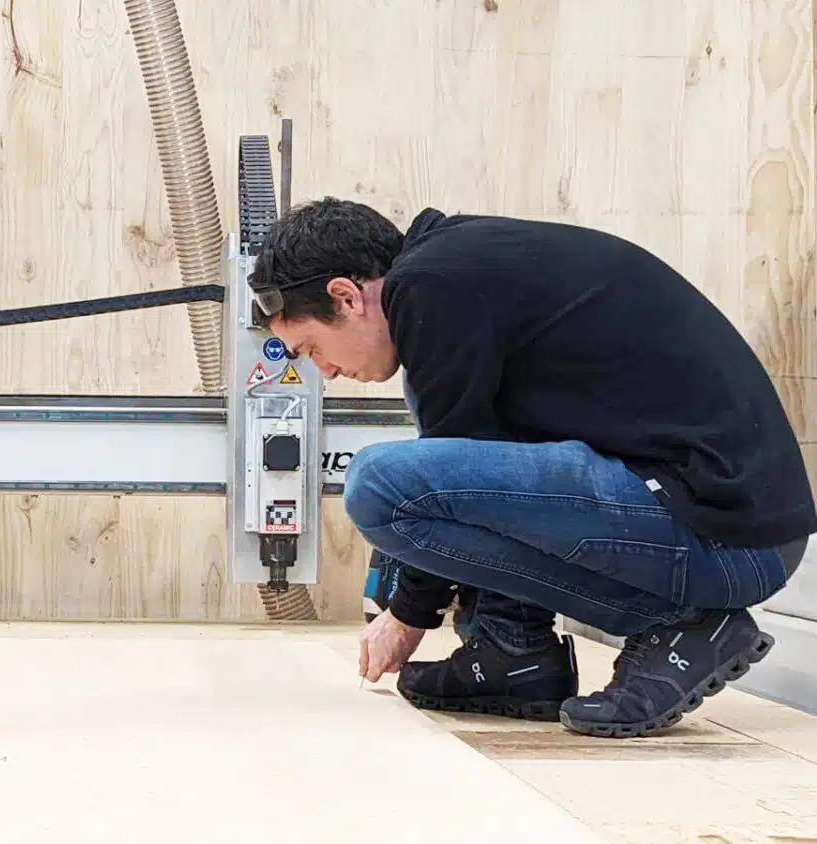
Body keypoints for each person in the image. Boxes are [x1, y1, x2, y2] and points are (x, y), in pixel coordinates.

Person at [249, 197, 814, 738]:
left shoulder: (429, 286)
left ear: (346, 297)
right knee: (433, 455)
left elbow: (447, 473)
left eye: (311, 348)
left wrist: (407, 614)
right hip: (729, 529)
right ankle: (514, 651)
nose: (325, 372)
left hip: (725, 539)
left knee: (379, 484)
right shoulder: (461, 270)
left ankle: (682, 623)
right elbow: (488, 467)